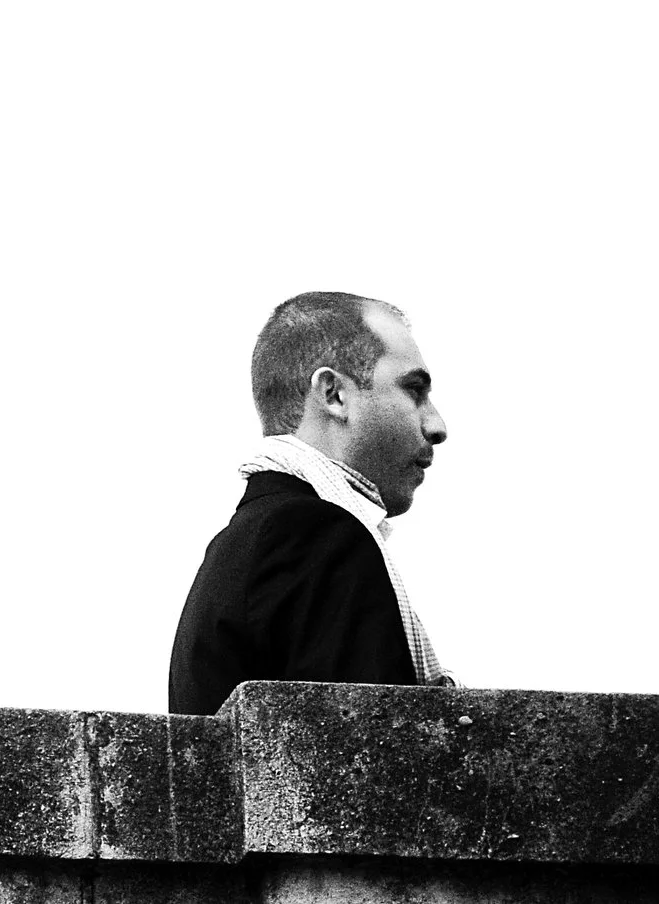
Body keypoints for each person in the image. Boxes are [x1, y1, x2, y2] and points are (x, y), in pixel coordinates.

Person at [168, 290, 452, 715]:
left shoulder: (250, 538)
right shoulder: (315, 536)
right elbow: (365, 765)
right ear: (334, 394)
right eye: (414, 389)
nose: (437, 425)